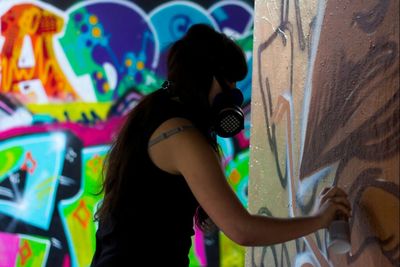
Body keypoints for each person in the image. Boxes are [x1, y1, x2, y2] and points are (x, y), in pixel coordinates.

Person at [90, 24, 351, 266]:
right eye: (230, 85)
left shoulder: (158, 119)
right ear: (210, 79)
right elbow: (242, 229)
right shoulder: (182, 137)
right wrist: (319, 220)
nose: (234, 97)